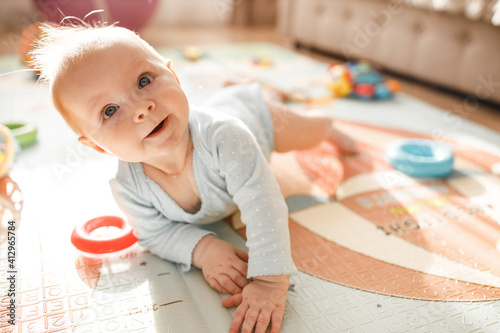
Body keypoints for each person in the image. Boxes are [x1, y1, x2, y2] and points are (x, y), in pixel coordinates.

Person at [31, 23, 356, 333]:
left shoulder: (225, 137)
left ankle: (324, 123)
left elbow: (264, 202)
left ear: (173, 75)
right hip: (231, 116)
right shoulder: (128, 187)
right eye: (110, 111)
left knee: (307, 133)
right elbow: (156, 234)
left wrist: (270, 281)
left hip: (260, 119)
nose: (142, 109)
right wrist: (203, 250)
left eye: (144, 81)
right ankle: (234, 87)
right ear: (96, 146)